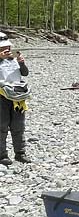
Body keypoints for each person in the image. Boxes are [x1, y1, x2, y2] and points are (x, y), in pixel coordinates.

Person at [0, 32, 31, 165]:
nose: (6, 50)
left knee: (18, 126)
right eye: (2, 48)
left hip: (17, 97)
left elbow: (25, 73)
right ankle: (2, 155)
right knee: (1, 127)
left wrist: (22, 63)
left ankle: (20, 153)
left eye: (7, 47)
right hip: (2, 98)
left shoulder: (13, 60)